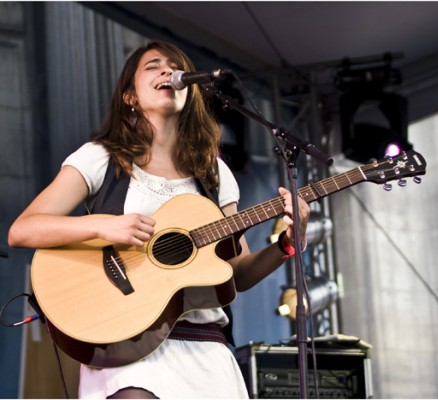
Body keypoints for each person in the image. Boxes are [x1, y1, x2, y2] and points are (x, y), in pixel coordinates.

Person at [8, 40, 310, 399]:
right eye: (153, 66)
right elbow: (23, 229)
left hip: (205, 350)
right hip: (127, 344)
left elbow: (237, 272)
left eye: (175, 65)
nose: (167, 70)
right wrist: (103, 225)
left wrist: (289, 244)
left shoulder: (213, 174)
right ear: (130, 96)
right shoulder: (101, 158)